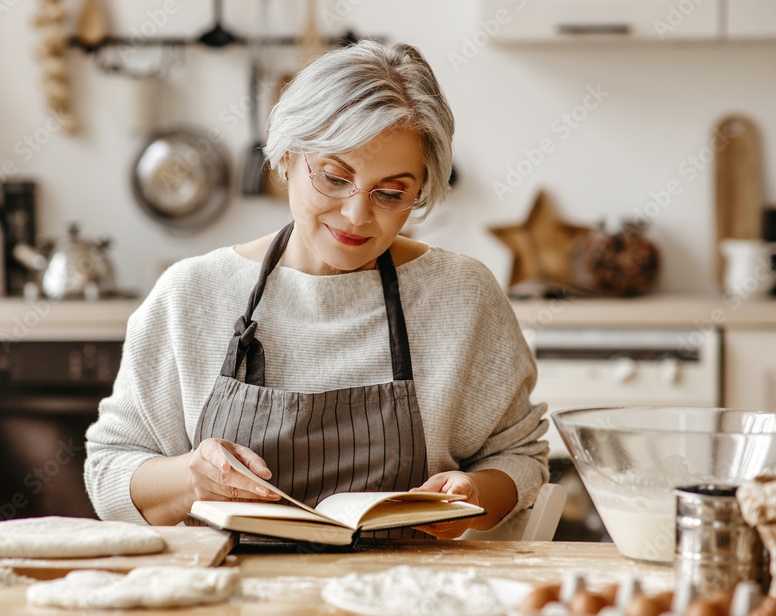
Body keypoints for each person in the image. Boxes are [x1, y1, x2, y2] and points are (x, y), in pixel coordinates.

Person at [85, 40, 549, 539]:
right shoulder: (191, 295)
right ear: (286, 159)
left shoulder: (462, 295)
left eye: (391, 193)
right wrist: (189, 479)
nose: (357, 214)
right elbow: (109, 471)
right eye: (333, 177)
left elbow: (520, 457)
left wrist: (476, 493)